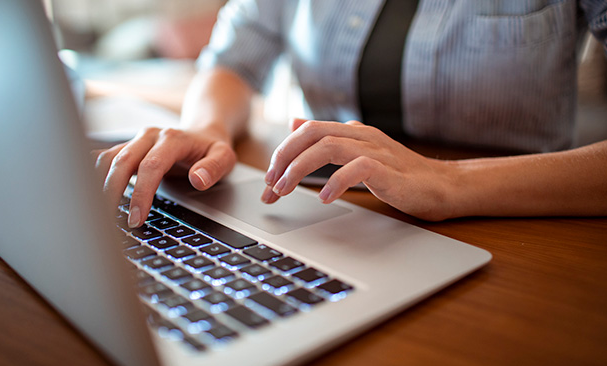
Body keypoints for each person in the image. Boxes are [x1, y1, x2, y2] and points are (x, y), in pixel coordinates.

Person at [95, 0, 607, 227]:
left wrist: (448, 181)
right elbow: (232, 59)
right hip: (324, 208)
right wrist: (207, 128)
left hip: (515, 224)